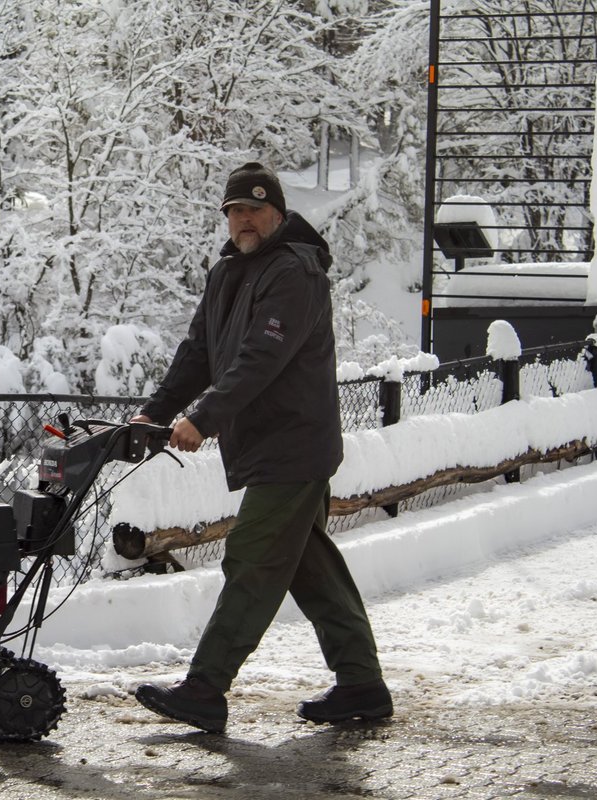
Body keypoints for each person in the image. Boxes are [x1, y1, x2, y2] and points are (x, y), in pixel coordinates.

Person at [131, 161, 391, 734]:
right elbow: (198, 352)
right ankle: (362, 686)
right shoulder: (227, 274)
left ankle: (205, 688)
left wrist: (204, 417)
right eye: (234, 211)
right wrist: (156, 409)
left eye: (253, 208)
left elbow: (260, 358)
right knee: (308, 566)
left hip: (294, 443)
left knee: (252, 557)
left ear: (277, 212)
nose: (243, 219)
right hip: (269, 445)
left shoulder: (295, 272)